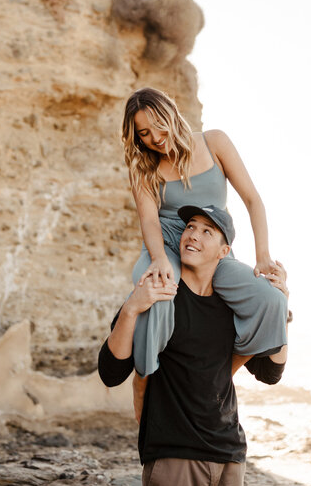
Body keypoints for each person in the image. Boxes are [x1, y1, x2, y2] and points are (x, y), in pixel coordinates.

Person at [98, 205, 290, 486]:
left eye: (206, 231)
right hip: (174, 454)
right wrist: (132, 308)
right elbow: (111, 371)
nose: (193, 235)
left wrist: (280, 305)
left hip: (229, 456)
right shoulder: (160, 295)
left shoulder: (231, 308)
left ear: (223, 251)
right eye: (190, 226)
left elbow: (271, 373)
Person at [121, 87, 288, 377]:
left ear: (171, 114)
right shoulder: (144, 168)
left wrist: (263, 256)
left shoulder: (215, 142)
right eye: (144, 133)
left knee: (271, 298)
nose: (155, 138)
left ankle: (228, 369)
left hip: (212, 247)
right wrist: (159, 259)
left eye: (158, 126)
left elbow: (252, 199)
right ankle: (146, 379)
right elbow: (149, 221)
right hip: (167, 242)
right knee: (159, 292)